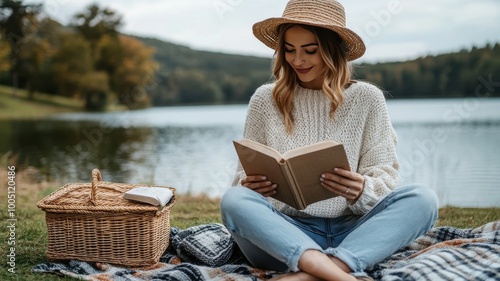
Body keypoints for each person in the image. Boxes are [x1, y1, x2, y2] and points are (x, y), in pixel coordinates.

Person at [220, 0, 439, 280]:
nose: (298, 61)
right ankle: (340, 273)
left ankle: (313, 274)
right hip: (285, 235)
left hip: (354, 231)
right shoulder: (265, 100)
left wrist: (363, 190)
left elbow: (384, 174)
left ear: (333, 50)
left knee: (423, 199)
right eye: (289, 50)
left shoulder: (367, 99)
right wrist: (252, 187)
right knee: (234, 200)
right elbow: (242, 181)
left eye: (310, 51)